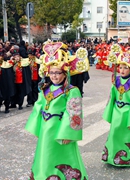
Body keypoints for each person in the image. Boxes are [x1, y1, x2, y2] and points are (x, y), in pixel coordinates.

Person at [25, 42, 88, 179]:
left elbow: (73, 113)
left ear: (65, 74)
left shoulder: (71, 91)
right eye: (51, 72)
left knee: (62, 153)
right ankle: (44, 175)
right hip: (46, 128)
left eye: (58, 73)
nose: (54, 76)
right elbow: (38, 107)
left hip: (60, 130)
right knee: (45, 152)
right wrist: (36, 127)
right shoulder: (45, 89)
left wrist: (68, 133)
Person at [102, 50, 130, 167]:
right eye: (120, 67)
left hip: (129, 113)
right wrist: (109, 113)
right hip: (117, 111)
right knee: (115, 133)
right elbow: (112, 97)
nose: (121, 70)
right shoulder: (115, 80)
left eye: (125, 68)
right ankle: (113, 156)